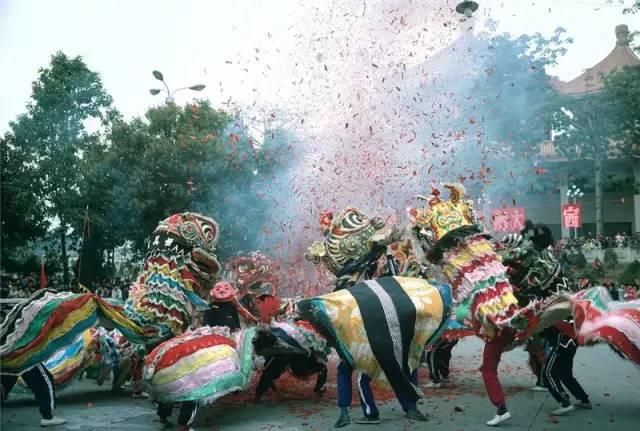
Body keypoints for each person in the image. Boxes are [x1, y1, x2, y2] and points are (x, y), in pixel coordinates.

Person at [541, 321, 591, 415]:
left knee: (548, 374)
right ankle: (584, 400)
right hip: (570, 344)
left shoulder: (556, 314)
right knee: (566, 375)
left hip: (561, 345)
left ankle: (564, 403)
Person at [0, 363, 67, 427]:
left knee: (6, 374)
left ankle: (47, 415)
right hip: (21, 356)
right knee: (42, 378)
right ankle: (47, 416)